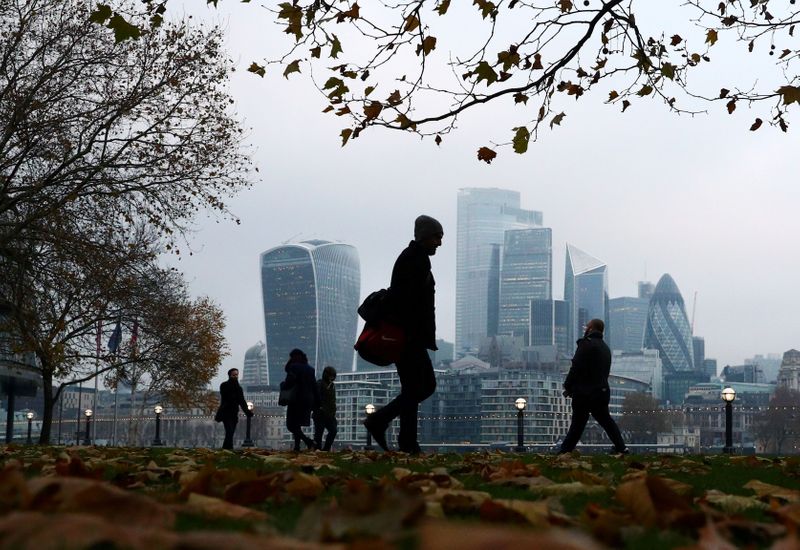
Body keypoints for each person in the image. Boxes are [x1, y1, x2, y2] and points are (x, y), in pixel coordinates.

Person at [363, 215, 442, 454]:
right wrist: (413, 334)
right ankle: (380, 420)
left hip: (409, 336)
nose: (439, 243)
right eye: (437, 237)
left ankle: (408, 442)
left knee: (412, 388)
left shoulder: (414, 258)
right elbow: (407, 301)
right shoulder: (414, 260)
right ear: (425, 237)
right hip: (409, 338)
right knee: (426, 386)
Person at [559, 319, 629, 455]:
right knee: (607, 421)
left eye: (587, 326)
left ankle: (564, 451)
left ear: (591, 328)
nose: (585, 328)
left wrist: (568, 385)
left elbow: (576, 366)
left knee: (577, 423)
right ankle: (622, 448)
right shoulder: (605, 348)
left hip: (585, 392)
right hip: (602, 391)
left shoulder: (586, 344)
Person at [283, 348, 321, 451]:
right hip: (308, 400)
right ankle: (297, 447)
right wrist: (318, 402)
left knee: (291, 425)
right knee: (297, 424)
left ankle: (308, 441)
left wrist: (283, 386)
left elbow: (289, 382)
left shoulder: (294, 367)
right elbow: (314, 386)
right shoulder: (310, 369)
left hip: (296, 400)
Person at [218, 368, 253, 450]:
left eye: (237, 375)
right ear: (230, 375)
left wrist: (248, 412)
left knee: (231, 432)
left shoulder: (239, 388)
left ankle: (226, 449)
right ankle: (229, 448)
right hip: (225, 412)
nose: (235, 377)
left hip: (234, 413)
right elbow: (226, 397)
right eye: (234, 375)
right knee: (229, 431)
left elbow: (242, 401)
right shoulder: (224, 385)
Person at [313, 366, 338, 451]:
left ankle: (326, 449)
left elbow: (332, 400)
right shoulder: (319, 383)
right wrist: (320, 408)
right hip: (320, 414)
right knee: (319, 434)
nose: (332, 378)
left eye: (333, 376)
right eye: (331, 376)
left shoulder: (332, 386)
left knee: (333, 430)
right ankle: (318, 449)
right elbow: (316, 397)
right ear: (326, 375)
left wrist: (333, 411)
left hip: (329, 414)